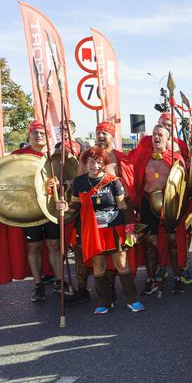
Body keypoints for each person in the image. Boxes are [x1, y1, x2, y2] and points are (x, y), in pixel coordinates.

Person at [58, 147, 144, 314]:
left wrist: (129, 230)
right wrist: (64, 207)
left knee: (122, 264)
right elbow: (76, 206)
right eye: (92, 162)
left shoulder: (113, 181)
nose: (95, 166)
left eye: (99, 162)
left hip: (114, 229)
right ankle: (105, 302)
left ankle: (132, 300)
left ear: (104, 164)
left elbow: (123, 206)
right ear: (85, 163)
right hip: (92, 232)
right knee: (99, 266)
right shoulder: (79, 182)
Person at [12, 121, 65, 302]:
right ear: (29, 135)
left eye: (42, 132)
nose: (38, 136)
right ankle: (38, 284)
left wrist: (59, 184)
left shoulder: (55, 156)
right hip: (30, 210)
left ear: (47, 135)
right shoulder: (18, 156)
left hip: (50, 208)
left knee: (54, 245)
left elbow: (69, 179)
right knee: (33, 246)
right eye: (34, 132)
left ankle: (60, 281)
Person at [132, 124, 186, 294]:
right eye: (154, 134)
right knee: (150, 242)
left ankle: (177, 277)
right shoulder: (142, 158)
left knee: (172, 242)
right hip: (148, 203)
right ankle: (151, 279)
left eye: (160, 134)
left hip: (169, 204)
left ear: (168, 138)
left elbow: (182, 184)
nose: (156, 137)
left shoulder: (175, 159)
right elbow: (136, 183)